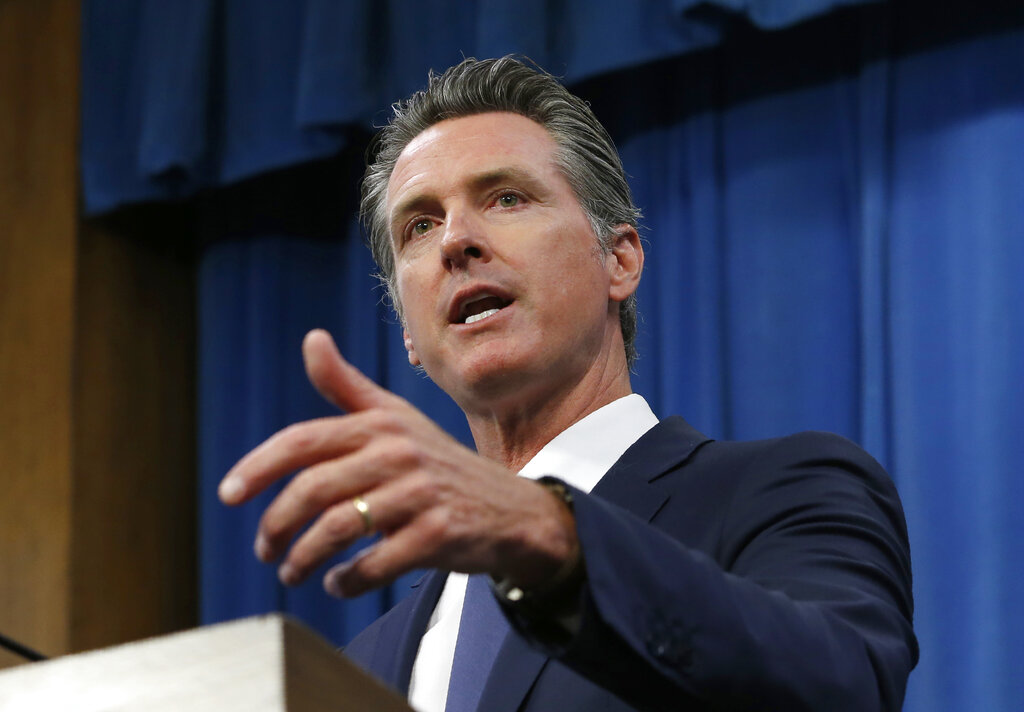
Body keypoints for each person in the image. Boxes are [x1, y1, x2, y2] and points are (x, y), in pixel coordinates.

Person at [218, 56, 917, 711]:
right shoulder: (361, 669)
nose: (456, 240)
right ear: (407, 334)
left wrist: (543, 531)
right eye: (420, 225)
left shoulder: (782, 490)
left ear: (619, 260)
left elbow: (843, 684)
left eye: (507, 198)